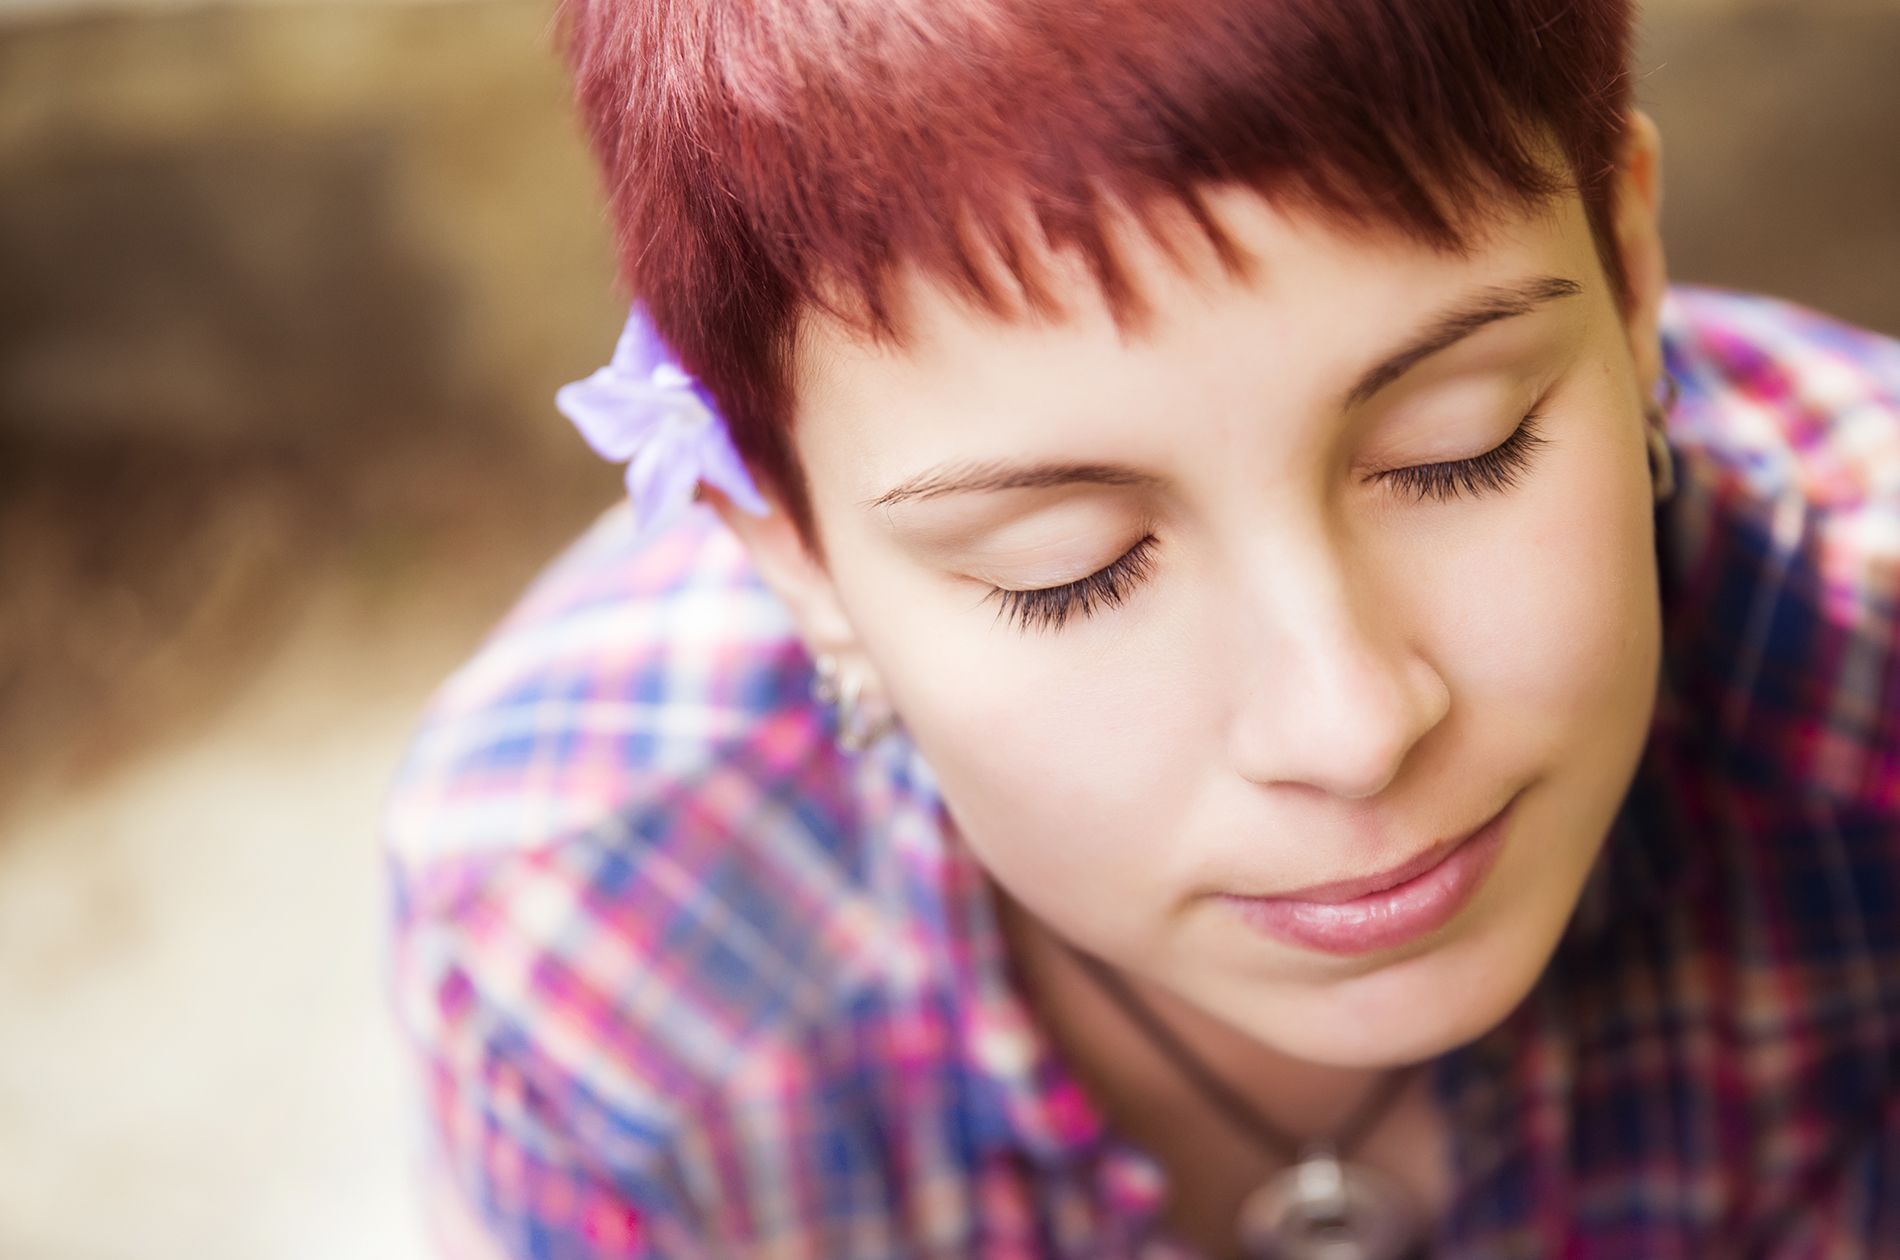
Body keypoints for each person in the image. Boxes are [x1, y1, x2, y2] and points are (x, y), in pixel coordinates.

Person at [382, 0, 1900, 1255]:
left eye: (1462, 447)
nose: (1354, 723)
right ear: (792, 549)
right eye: (1072, 568)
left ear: (1632, 280)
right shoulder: (582, 951)